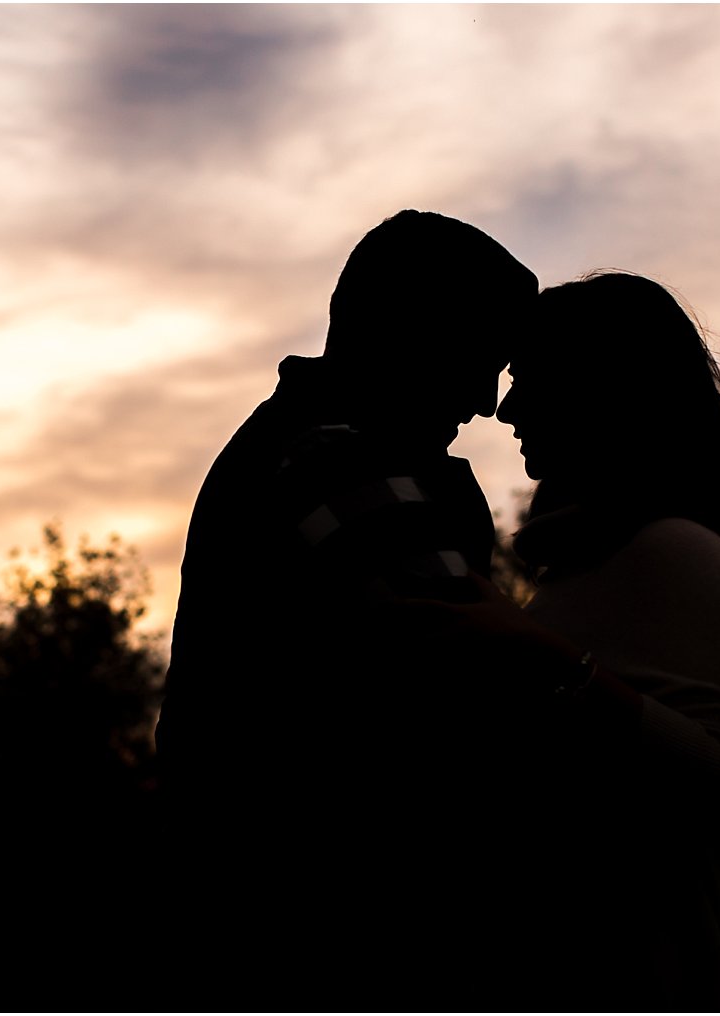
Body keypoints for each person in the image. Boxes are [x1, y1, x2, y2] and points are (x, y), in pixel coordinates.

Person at [154, 210, 539, 964]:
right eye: (480, 358)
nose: (489, 402)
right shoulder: (334, 460)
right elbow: (479, 705)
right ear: (418, 333)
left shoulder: (300, 446)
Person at [491, 270, 720, 1010]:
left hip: (677, 959)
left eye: (528, 377)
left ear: (602, 389)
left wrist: (533, 655)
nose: (506, 408)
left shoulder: (679, 551)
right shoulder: (588, 565)